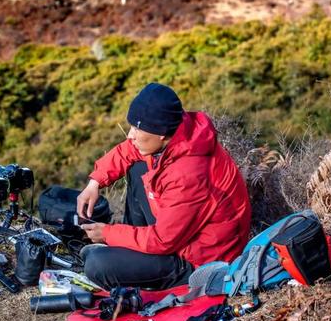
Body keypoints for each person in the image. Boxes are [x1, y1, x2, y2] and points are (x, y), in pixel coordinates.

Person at [77, 82, 251, 290]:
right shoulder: (177, 132)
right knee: (138, 164)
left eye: (137, 129)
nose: (130, 135)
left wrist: (108, 233)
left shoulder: (189, 173)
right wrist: (94, 182)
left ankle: (130, 255)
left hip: (203, 259)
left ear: (160, 134)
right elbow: (127, 151)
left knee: (97, 265)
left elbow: (163, 241)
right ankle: (132, 247)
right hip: (180, 231)